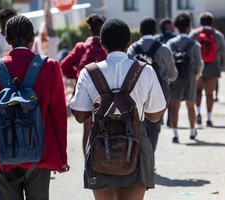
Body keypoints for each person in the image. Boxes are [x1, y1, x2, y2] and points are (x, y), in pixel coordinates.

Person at [70, 18, 166, 200]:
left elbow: (80, 116)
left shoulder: (88, 73)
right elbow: (154, 115)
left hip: (101, 145)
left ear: (102, 44)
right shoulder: (145, 71)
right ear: (129, 43)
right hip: (135, 144)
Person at [0, 15, 69, 200]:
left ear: (7, 39)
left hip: (2, 154)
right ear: (32, 38)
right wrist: (61, 158)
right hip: (40, 154)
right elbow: (59, 116)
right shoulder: (49, 66)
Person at [127, 17, 177, 154]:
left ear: (140, 31)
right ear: (155, 31)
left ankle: (137, 158)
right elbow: (173, 75)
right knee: (154, 126)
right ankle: (149, 158)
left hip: (135, 92)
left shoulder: (132, 49)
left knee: (136, 123)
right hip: (160, 91)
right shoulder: (164, 49)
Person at [60, 13, 106, 155]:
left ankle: (88, 162)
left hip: (84, 91)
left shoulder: (81, 47)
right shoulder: (106, 47)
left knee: (87, 130)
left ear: (89, 30)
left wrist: (77, 76)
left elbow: (64, 65)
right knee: (104, 126)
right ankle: (103, 160)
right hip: (103, 93)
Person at [166, 13, 204, 143]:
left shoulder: (170, 43)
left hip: (175, 76)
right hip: (190, 77)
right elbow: (199, 64)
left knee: (174, 106)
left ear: (176, 27)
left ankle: (175, 133)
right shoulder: (194, 44)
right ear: (189, 27)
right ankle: (192, 131)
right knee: (190, 105)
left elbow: (168, 62)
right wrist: (197, 75)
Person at [189, 12, 225, 127]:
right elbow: (224, 51)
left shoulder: (195, 33)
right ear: (212, 22)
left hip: (198, 66)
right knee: (210, 94)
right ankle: (209, 118)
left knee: (197, 92)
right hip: (213, 65)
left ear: (200, 22)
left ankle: (197, 113)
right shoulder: (217, 34)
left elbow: (188, 48)